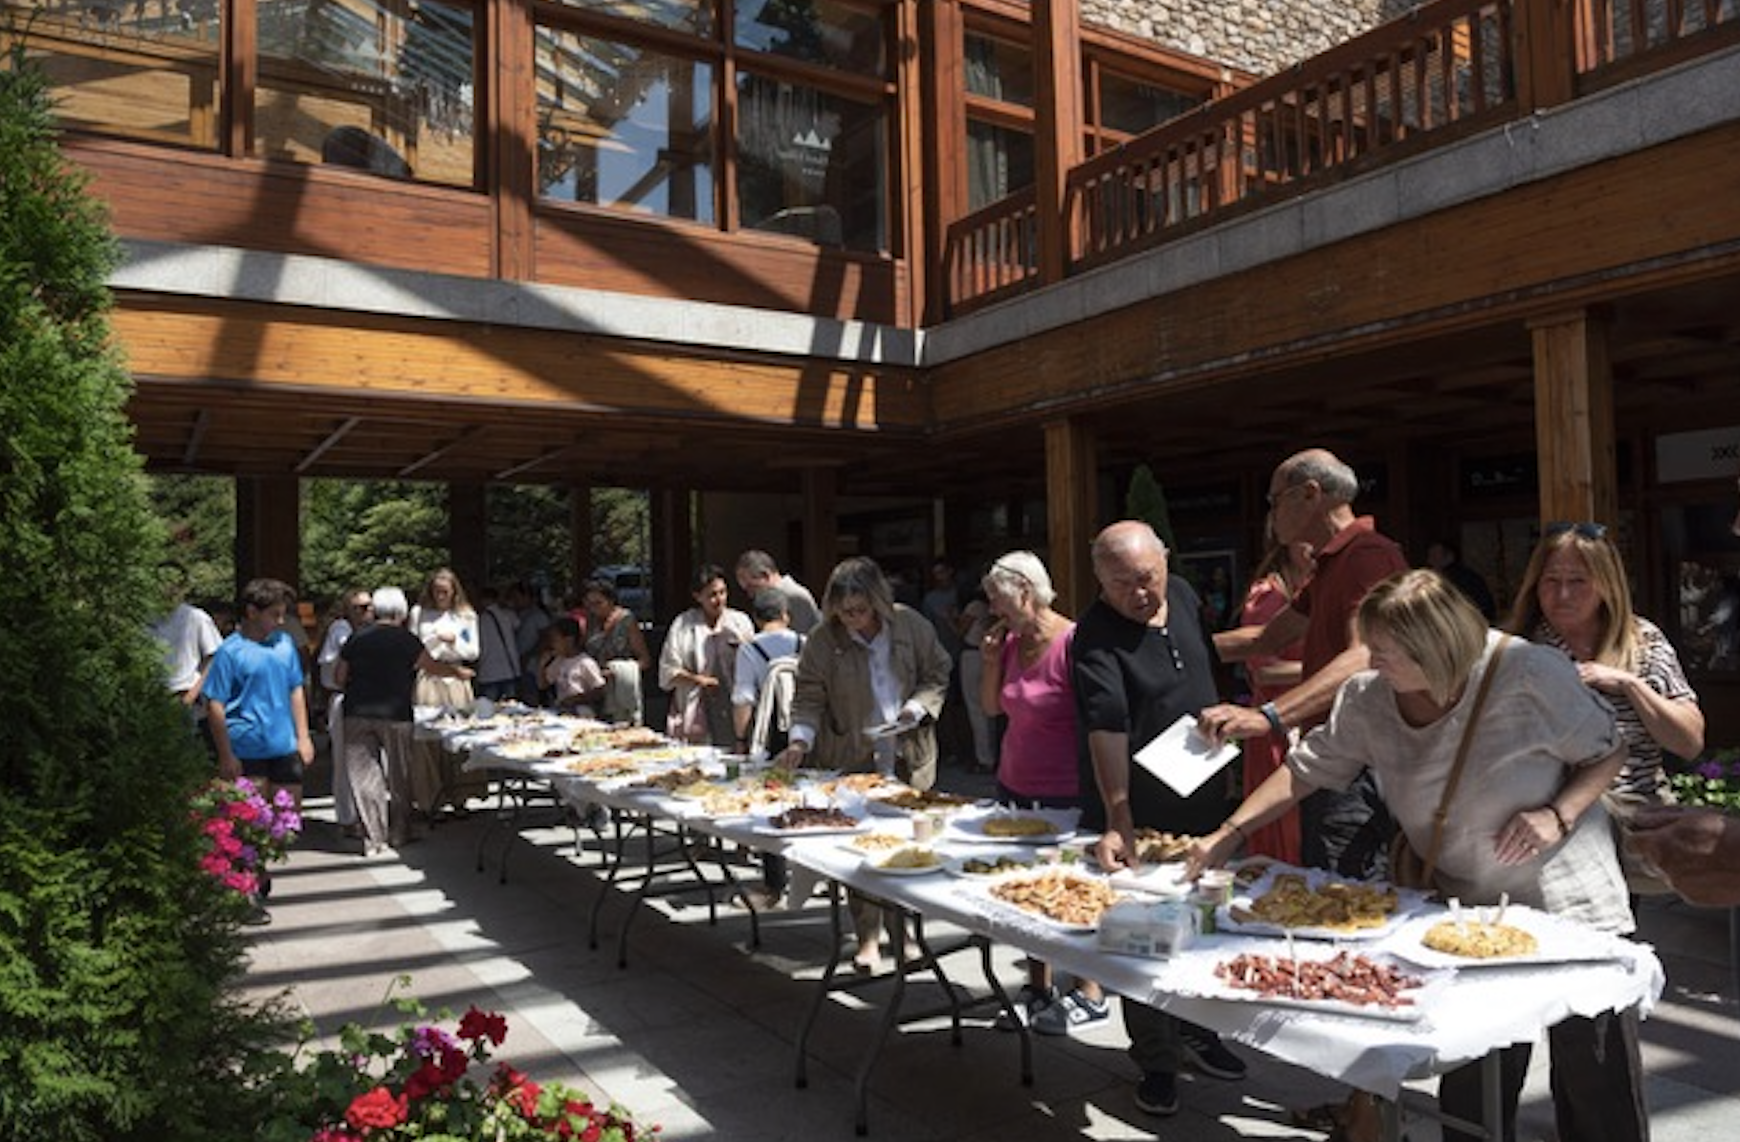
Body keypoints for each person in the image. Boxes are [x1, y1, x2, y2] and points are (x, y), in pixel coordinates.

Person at [1189, 570, 1646, 1142]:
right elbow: (1309, 769)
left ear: (1437, 648)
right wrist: (1228, 833)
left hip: (1568, 898)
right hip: (1464, 912)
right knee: (1474, 1080)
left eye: (1384, 650)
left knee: (1593, 1078)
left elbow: (1609, 750)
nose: (1372, 662)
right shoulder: (1368, 697)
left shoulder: (1528, 673)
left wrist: (1558, 813)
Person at [1072, 522, 1245, 1117]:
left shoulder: (1188, 596)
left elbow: (1208, 658)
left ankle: (1200, 1030)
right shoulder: (1094, 635)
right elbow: (1106, 728)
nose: (1137, 593)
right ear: (1099, 580)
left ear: (1166, 562)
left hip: (1202, 795)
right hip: (1138, 810)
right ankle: (1157, 1060)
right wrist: (1120, 816)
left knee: (1205, 923)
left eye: (1146, 578)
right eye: (1120, 584)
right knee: (1142, 938)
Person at [1199, 448, 1409, 878]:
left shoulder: (1368, 555)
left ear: (1310, 494)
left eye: (1274, 501)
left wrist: (1267, 717)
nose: (1270, 515)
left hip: (1358, 765)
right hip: (1330, 759)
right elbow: (1265, 637)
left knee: (1343, 900)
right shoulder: (1331, 562)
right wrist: (1172, 645)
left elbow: (1365, 656)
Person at [1504, 521, 1704, 892]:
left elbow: (1689, 743)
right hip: (1543, 822)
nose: (1562, 594)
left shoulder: (1642, 642)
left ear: (1606, 584)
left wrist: (1631, 686)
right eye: (1551, 580)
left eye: (1578, 581)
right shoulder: (1517, 650)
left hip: (1630, 818)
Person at [774, 556, 952, 971]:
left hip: (909, 754)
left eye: (860, 610)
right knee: (859, 850)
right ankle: (867, 936)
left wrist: (917, 708)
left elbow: (938, 672)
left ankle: (905, 930)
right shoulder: (823, 638)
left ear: (878, 601)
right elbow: (809, 698)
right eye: (844, 612)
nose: (853, 620)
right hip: (851, 756)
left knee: (909, 846)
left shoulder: (910, 626)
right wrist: (799, 742)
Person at [979, 551, 1106, 1035]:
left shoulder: (1074, 642)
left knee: (1073, 890)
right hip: (1016, 783)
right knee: (1026, 894)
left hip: (1066, 789)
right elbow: (992, 707)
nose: (994, 610)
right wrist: (990, 661)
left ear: (1026, 593)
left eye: (999, 600)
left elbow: (1097, 717)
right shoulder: (1009, 643)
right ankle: (1037, 985)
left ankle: (1089, 991)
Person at [335, 587, 473, 855]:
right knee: (400, 775)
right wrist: (457, 672)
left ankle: (373, 838)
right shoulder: (407, 640)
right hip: (396, 713)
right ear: (401, 611)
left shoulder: (356, 638)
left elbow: (340, 676)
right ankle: (400, 832)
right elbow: (431, 666)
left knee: (364, 776)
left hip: (357, 712)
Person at [1234, 537, 1314, 864]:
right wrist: (1330, 669)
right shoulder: (1267, 596)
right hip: (1275, 726)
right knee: (1283, 830)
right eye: (1308, 541)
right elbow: (1263, 672)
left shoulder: (1312, 587)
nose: (1317, 549)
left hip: (1310, 723)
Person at [731, 588, 808, 907]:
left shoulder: (750, 650)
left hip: (770, 734)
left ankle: (774, 885)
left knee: (770, 803)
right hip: (806, 729)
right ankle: (810, 876)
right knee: (810, 799)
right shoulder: (806, 643)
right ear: (786, 615)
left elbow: (743, 699)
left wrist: (741, 739)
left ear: (756, 618)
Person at [409, 567, 483, 815]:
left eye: (445, 592)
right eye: (436, 591)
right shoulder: (419, 613)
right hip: (429, 676)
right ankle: (430, 798)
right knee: (428, 739)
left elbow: (473, 651)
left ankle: (461, 796)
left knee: (460, 736)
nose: (441, 596)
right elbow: (413, 647)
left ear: (454, 592)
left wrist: (454, 641)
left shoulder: (465, 615)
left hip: (457, 676)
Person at [660, 564, 754, 747]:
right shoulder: (683, 624)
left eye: (722, 593)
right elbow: (668, 669)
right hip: (695, 704)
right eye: (712, 595)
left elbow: (753, 661)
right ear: (698, 596)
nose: (719, 600)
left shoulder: (739, 621)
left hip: (732, 701)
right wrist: (697, 679)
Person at [316, 588, 373, 834]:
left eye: (370, 606)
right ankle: (348, 818)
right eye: (360, 607)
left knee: (368, 762)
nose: (367, 612)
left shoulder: (370, 631)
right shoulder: (340, 630)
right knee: (345, 761)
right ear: (347, 610)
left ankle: (367, 814)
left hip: (369, 700)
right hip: (345, 699)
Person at [152, 571, 222, 741]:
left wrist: (192, 694)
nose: (167, 589)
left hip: (183, 695)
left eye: (173, 584)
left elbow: (216, 657)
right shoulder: (145, 617)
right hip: (150, 696)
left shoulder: (196, 617)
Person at [581, 577, 652, 725]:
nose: (594, 609)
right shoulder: (591, 621)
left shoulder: (627, 621)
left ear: (611, 600)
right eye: (590, 604)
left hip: (619, 690)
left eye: (598, 603)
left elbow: (645, 660)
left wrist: (619, 670)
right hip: (595, 690)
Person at [956, 585, 998, 774]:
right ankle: (991, 755)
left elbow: (960, 630)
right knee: (987, 709)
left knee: (975, 708)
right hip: (985, 654)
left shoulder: (973, 606)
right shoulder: (989, 608)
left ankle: (984, 758)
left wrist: (949, 618)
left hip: (972, 654)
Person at [735, 549, 822, 634]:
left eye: (751, 587)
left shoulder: (794, 596)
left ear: (765, 575)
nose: (750, 595)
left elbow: (799, 641)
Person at [540, 617, 607, 715]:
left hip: (582, 710)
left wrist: (577, 699)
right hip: (563, 708)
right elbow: (543, 685)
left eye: (555, 640)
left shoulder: (585, 662)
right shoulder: (559, 660)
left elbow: (599, 691)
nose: (552, 645)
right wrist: (542, 666)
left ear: (568, 640)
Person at [1426, 537, 1498, 620]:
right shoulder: (1466, 576)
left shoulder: (1456, 579)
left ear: (1450, 557)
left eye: (1434, 556)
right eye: (1430, 556)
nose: (1430, 561)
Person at [473, 585, 522, 703]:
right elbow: (518, 625)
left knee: (488, 707)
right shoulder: (508, 614)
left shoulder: (479, 620)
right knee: (510, 707)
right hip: (509, 669)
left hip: (488, 671)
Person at [510, 580, 553, 706]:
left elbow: (545, 638)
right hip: (518, 663)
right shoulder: (516, 615)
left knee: (530, 697)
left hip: (532, 665)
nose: (515, 601)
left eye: (517, 598)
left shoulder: (538, 616)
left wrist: (529, 655)